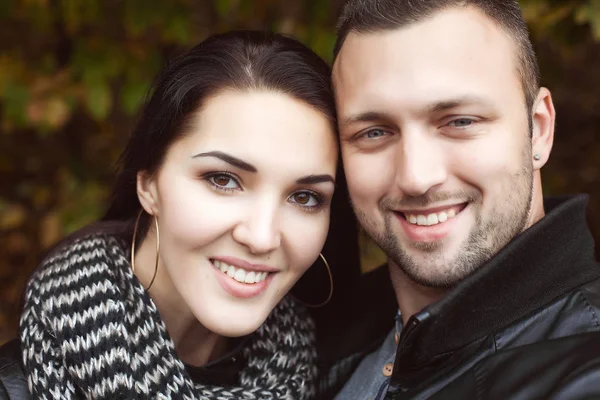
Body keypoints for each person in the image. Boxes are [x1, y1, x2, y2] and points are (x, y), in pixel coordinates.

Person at [0, 30, 353, 399]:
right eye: (223, 179)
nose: (262, 236)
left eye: (304, 197)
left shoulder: (331, 374)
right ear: (149, 183)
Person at [326, 0, 600, 399]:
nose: (416, 178)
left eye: (459, 121)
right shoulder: (314, 338)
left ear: (538, 129)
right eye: (374, 132)